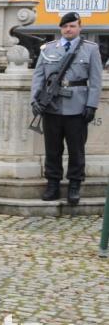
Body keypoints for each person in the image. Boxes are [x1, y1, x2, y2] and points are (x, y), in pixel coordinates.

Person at [30, 12, 103, 205]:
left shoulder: (90, 49)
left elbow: (96, 80)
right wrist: (34, 101)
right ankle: (53, 184)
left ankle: (74, 186)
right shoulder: (48, 48)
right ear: (60, 29)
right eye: (65, 26)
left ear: (80, 27)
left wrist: (91, 105)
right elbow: (38, 76)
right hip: (51, 106)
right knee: (52, 149)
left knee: (76, 149)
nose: (68, 29)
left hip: (78, 108)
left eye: (72, 26)